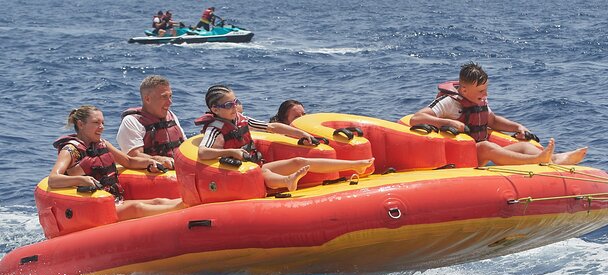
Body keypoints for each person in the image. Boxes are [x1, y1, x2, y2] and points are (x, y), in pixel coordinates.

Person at [196, 85, 375, 192]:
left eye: (235, 102)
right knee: (264, 173)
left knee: (299, 160)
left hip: (256, 166)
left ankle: (355, 165)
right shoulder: (215, 129)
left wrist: (302, 134)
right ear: (215, 109)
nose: (234, 107)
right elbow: (203, 152)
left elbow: (272, 127)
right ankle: (286, 181)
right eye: (228, 105)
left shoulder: (241, 120)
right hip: (240, 176)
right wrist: (232, 151)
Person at [410, 62, 588, 166]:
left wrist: (517, 127)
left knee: (523, 146)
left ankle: (556, 159)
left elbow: (493, 121)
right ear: (463, 89)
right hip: (459, 157)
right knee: (486, 147)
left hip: (477, 152)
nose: (485, 94)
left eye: (485, 89)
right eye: (480, 91)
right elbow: (416, 118)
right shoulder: (449, 102)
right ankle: (536, 160)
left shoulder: (478, 102)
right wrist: (448, 123)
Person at [49, 106, 183, 221]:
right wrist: (81, 180)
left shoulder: (102, 143)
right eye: (96, 123)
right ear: (80, 124)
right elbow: (53, 179)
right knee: (136, 208)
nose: (101, 127)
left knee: (158, 201)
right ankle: (183, 213)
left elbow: (128, 161)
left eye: (102, 123)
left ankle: (188, 206)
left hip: (115, 201)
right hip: (94, 208)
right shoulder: (71, 150)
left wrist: (150, 162)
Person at [116, 75, 186, 170]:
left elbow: (184, 145)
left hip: (177, 169)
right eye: (164, 97)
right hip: (152, 174)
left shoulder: (171, 116)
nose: (170, 102)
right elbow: (133, 156)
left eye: (170, 96)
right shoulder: (132, 121)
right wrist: (160, 160)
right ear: (147, 99)